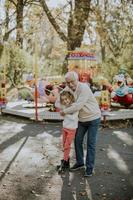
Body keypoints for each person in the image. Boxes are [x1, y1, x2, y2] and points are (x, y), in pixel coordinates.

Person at [60, 71, 101, 177]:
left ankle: (90, 168)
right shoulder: (68, 88)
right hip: (81, 120)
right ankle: (80, 163)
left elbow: (78, 106)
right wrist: (60, 103)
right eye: (67, 82)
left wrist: (64, 111)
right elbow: (59, 98)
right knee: (77, 140)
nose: (70, 85)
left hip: (93, 118)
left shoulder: (84, 88)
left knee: (90, 144)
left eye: (72, 82)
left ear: (77, 79)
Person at [57, 90, 79, 173]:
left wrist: (64, 113)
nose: (65, 101)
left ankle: (64, 162)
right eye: (63, 100)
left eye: (66, 99)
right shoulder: (64, 107)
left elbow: (73, 118)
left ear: (70, 98)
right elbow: (56, 103)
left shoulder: (74, 106)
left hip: (71, 129)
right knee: (64, 145)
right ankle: (66, 162)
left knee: (67, 146)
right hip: (65, 128)